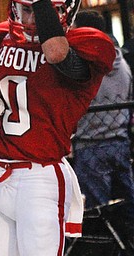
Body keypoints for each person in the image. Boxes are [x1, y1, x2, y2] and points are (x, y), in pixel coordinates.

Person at [0, 0, 116, 255]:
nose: (32, 18)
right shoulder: (3, 36)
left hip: (39, 176)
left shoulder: (88, 42)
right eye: (26, 9)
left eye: (40, 9)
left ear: (65, 11)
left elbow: (56, 53)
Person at [71, 10, 134, 252]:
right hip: (119, 142)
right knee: (127, 205)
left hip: (91, 145)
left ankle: (113, 251)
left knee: (100, 213)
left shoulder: (85, 63)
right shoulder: (120, 59)